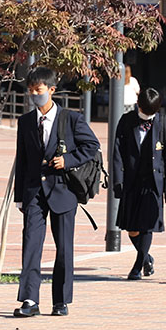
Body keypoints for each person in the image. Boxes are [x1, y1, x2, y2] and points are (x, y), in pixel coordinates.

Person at [14, 67, 100, 317]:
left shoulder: (71, 119)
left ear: (51, 90)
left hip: (63, 192)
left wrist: (69, 160)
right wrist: (20, 196)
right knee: (31, 245)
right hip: (33, 193)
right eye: (31, 91)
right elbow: (22, 160)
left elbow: (92, 146)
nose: (34, 95)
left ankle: (60, 300)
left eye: (38, 90)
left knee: (64, 247)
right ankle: (30, 300)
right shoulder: (26, 121)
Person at [113, 88, 166, 280]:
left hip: (153, 182)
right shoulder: (126, 121)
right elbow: (117, 151)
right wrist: (117, 180)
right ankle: (146, 257)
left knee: (147, 225)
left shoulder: (165, 123)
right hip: (131, 180)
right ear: (138, 105)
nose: (147, 116)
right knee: (131, 228)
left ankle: (138, 266)